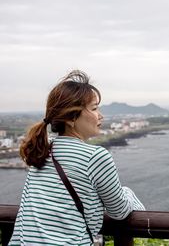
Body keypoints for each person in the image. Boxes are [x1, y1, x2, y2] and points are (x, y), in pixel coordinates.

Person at [9, 70, 145, 245]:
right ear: (71, 118)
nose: (100, 115)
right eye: (95, 108)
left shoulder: (42, 148)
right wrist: (128, 193)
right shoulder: (95, 157)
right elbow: (119, 211)